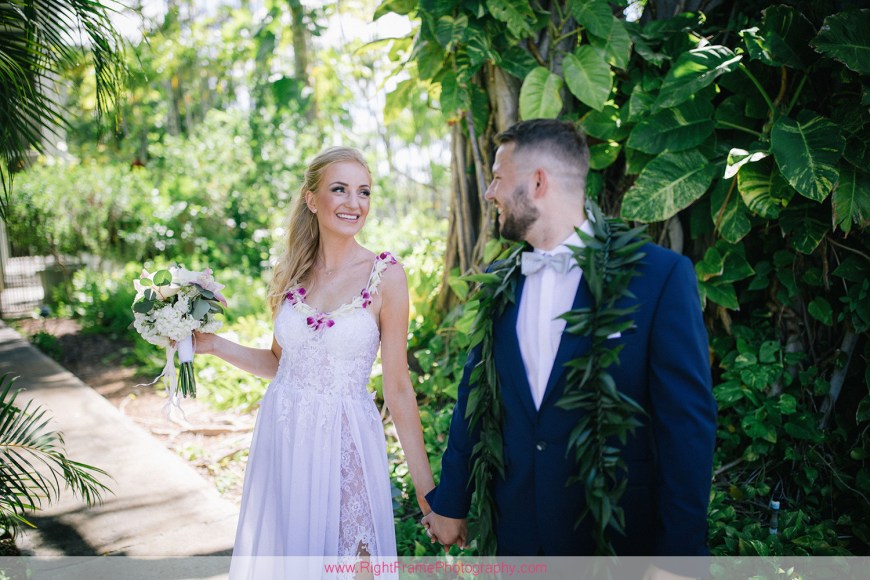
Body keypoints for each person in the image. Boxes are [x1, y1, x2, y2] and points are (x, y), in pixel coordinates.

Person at [422, 119, 717, 578]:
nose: (489, 193)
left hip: (615, 544)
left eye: (498, 178)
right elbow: (474, 399)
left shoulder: (658, 279)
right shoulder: (499, 285)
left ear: (537, 182)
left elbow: (687, 431)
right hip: (517, 540)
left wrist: (677, 558)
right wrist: (450, 502)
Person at [194, 146, 434, 577]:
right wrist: (212, 345)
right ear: (311, 199)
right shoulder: (294, 273)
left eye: (363, 192)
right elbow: (280, 364)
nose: (353, 203)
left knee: (356, 564)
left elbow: (397, 388)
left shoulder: (386, 276)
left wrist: (428, 495)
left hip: (346, 441)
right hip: (284, 437)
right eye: (339, 189)